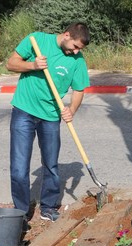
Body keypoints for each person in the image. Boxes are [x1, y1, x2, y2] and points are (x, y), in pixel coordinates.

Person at [6, 23, 91, 223]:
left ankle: (48, 207)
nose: (76, 51)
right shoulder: (37, 40)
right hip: (23, 111)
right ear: (67, 35)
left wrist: (72, 110)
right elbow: (11, 64)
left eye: (80, 49)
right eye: (75, 46)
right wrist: (32, 65)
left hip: (51, 116)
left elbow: (79, 90)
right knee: (19, 167)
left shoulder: (78, 61)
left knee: (51, 165)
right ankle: (21, 211)